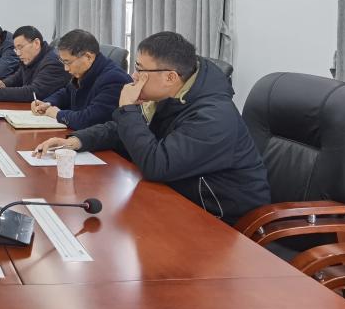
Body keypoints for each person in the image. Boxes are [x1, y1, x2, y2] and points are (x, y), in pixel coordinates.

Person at [33, 31, 270, 225]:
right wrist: (75, 141)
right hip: (174, 197)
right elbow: (120, 130)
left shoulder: (213, 116)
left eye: (140, 69)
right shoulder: (172, 93)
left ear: (170, 77)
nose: (134, 77)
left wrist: (128, 109)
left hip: (221, 219)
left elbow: (157, 165)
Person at [29, 29, 131, 129]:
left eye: (68, 62)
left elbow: (89, 119)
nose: (66, 68)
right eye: (63, 62)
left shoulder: (114, 79)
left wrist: (57, 114)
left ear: (88, 57)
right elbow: (67, 93)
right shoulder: (85, 71)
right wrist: (47, 103)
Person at [0, 25, 68, 102]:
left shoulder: (53, 62)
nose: (18, 53)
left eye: (20, 47)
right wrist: (4, 83)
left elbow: (33, 92)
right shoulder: (32, 57)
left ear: (36, 43)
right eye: (16, 49)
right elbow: (18, 76)